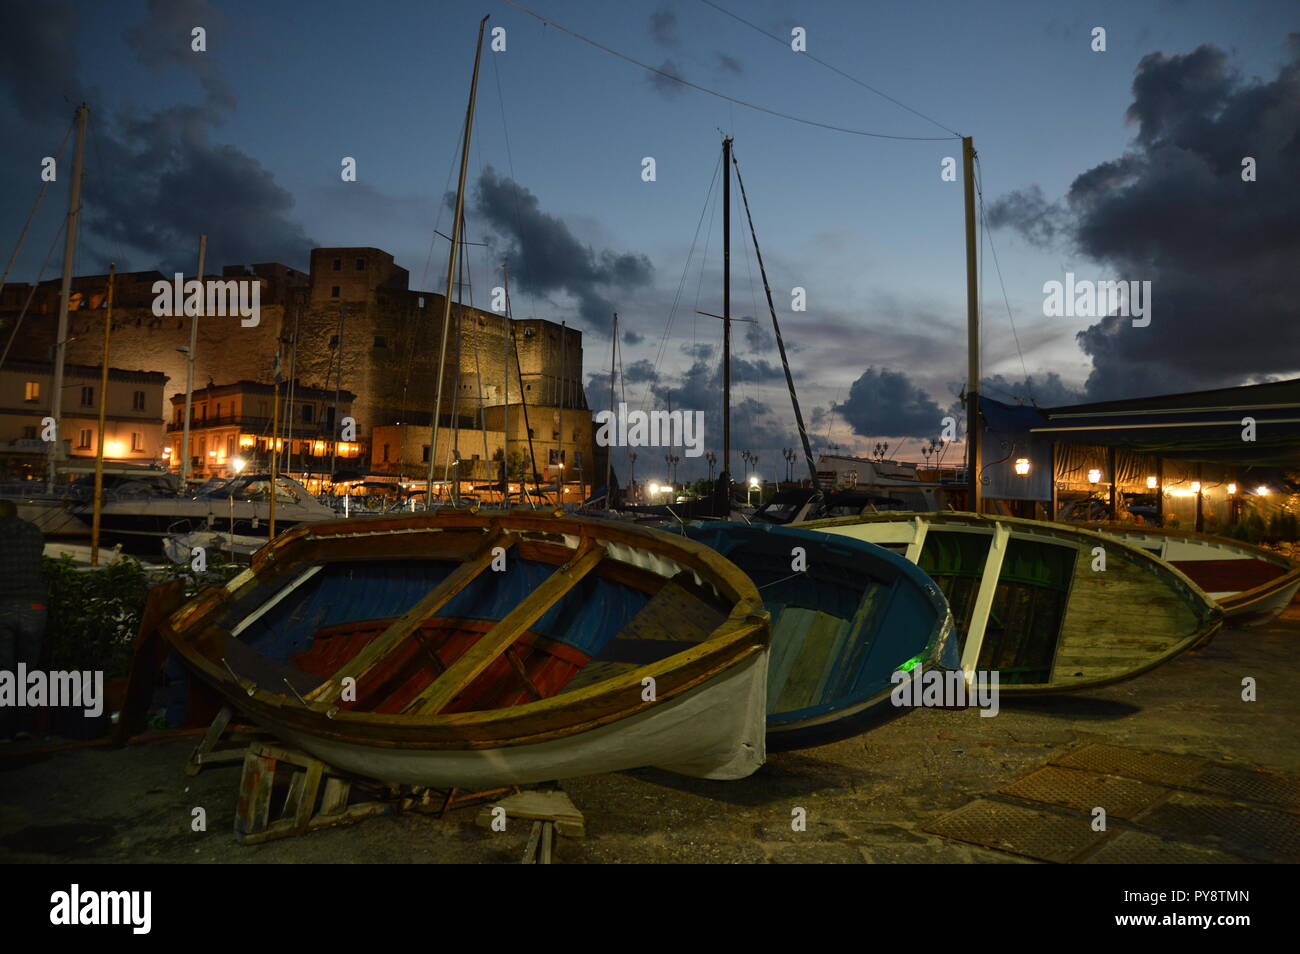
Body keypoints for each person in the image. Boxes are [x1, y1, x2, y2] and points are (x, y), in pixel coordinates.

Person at [0, 499, 48, 742]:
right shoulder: (32, 532)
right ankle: (23, 726)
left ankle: (3, 731)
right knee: (27, 671)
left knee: (4, 671)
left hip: (3, 606)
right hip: (34, 605)